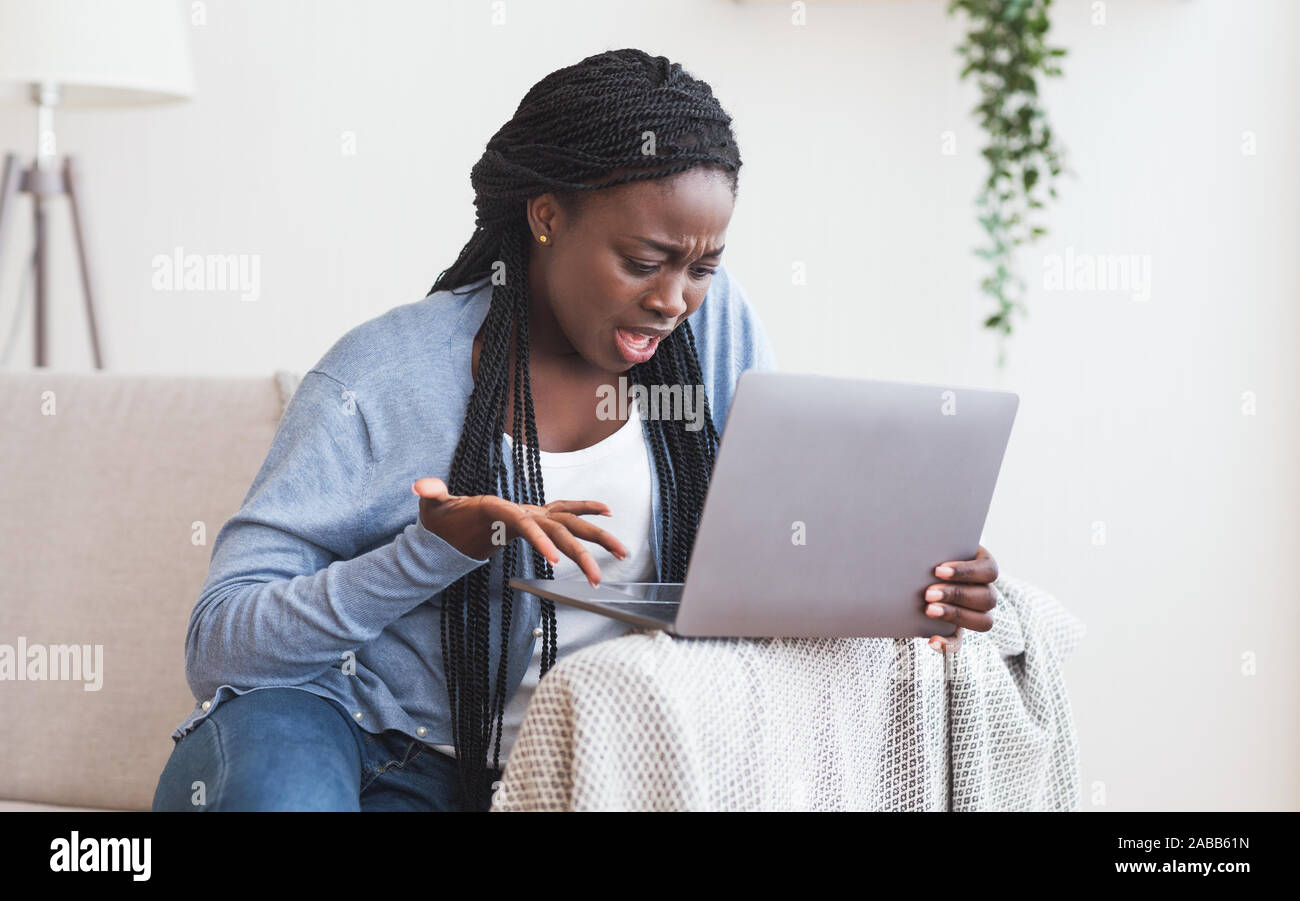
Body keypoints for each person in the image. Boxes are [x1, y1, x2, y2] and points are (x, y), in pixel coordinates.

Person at [152, 47, 999, 813]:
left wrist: (913, 578)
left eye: (702, 267)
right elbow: (221, 643)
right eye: (643, 261)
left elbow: (778, 545)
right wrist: (434, 550)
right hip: (379, 746)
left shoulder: (713, 332)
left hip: (607, 757)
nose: (673, 299)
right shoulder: (381, 376)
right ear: (547, 217)